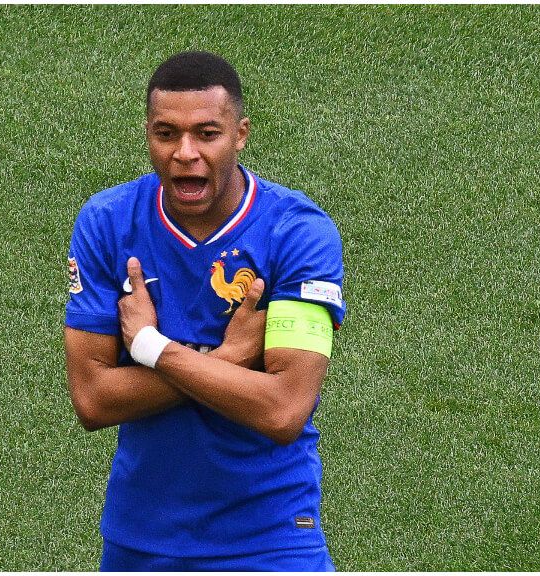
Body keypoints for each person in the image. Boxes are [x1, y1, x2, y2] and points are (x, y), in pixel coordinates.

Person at [63, 51, 346, 571]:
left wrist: (150, 347)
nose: (184, 153)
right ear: (148, 134)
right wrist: (230, 358)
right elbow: (94, 400)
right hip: (141, 540)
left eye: (207, 134)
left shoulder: (298, 233)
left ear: (240, 135)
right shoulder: (108, 223)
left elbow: (284, 409)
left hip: (272, 539)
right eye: (166, 134)